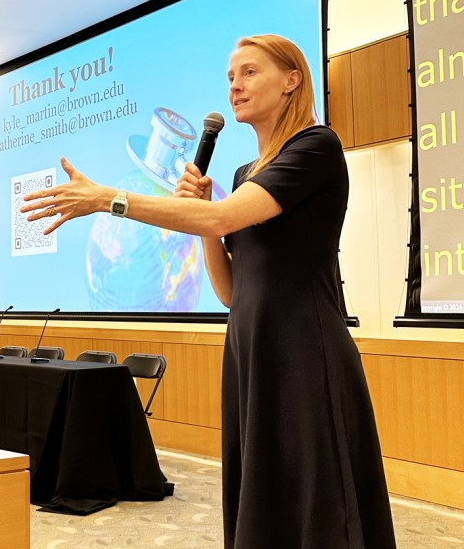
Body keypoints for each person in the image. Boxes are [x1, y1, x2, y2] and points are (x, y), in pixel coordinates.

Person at [21, 35, 396, 547]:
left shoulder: (316, 147)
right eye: (229, 77)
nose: (235, 87)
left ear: (292, 81)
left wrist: (109, 198)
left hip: (305, 350)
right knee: (265, 498)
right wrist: (206, 230)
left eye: (249, 72)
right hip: (251, 347)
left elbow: (221, 214)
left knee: (318, 499)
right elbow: (229, 290)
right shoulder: (245, 175)